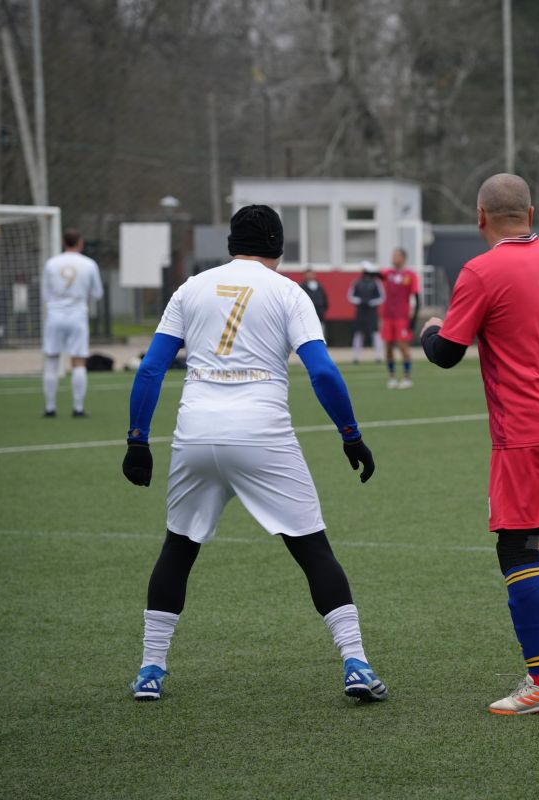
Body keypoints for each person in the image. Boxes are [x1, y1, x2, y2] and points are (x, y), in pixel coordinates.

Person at [120, 205, 387, 704]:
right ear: (279, 248)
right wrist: (350, 434)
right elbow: (323, 372)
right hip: (261, 433)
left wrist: (138, 439)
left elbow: (151, 368)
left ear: (230, 244)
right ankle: (356, 662)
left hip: (196, 432)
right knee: (312, 549)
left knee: (179, 547)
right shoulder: (289, 292)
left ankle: (150, 670)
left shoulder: (190, 289)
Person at [420, 173, 539, 715]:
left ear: (480, 217)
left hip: (525, 429)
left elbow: (447, 353)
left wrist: (429, 329)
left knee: (514, 546)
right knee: (533, 532)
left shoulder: (481, 270)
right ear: (531, 212)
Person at [41, 228, 103, 417]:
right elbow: (98, 293)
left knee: (52, 360)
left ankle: (50, 408)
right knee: (78, 361)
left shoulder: (51, 263)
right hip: (77, 316)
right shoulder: (89, 264)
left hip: (54, 316)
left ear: (63, 242)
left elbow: (45, 294)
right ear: (80, 243)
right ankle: (78, 408)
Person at [381, 247, 419, 388]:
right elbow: (376, 275)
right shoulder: (388, 273)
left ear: (403, 258)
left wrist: (413, 319)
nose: (393, 258)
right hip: (387, 317)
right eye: (393, 255)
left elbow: (416, 297)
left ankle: (407, 377)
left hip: (402, 317)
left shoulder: (410, 275)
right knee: (388, 347)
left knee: (403, 347)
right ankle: (392, 377)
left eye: (396, 255)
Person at [349, 262, 385, 364]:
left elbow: (382, 297)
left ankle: (379, 356)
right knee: (358, 333)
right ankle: (355, 357)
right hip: (360, 311)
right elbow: (350, 296)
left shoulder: (376, 283)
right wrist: (360, 301)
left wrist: (371, 302)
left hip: (372, 311)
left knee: (375, 333)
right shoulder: (356, 283)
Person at [299, 269, 329, 334]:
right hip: (307, 316)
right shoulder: (301, 287)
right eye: (308, 274)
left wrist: (322, 310)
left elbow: (325, 301)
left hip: (320, 316)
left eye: (311, 274)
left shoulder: (320, 287)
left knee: (321, 333)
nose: (310, 276)